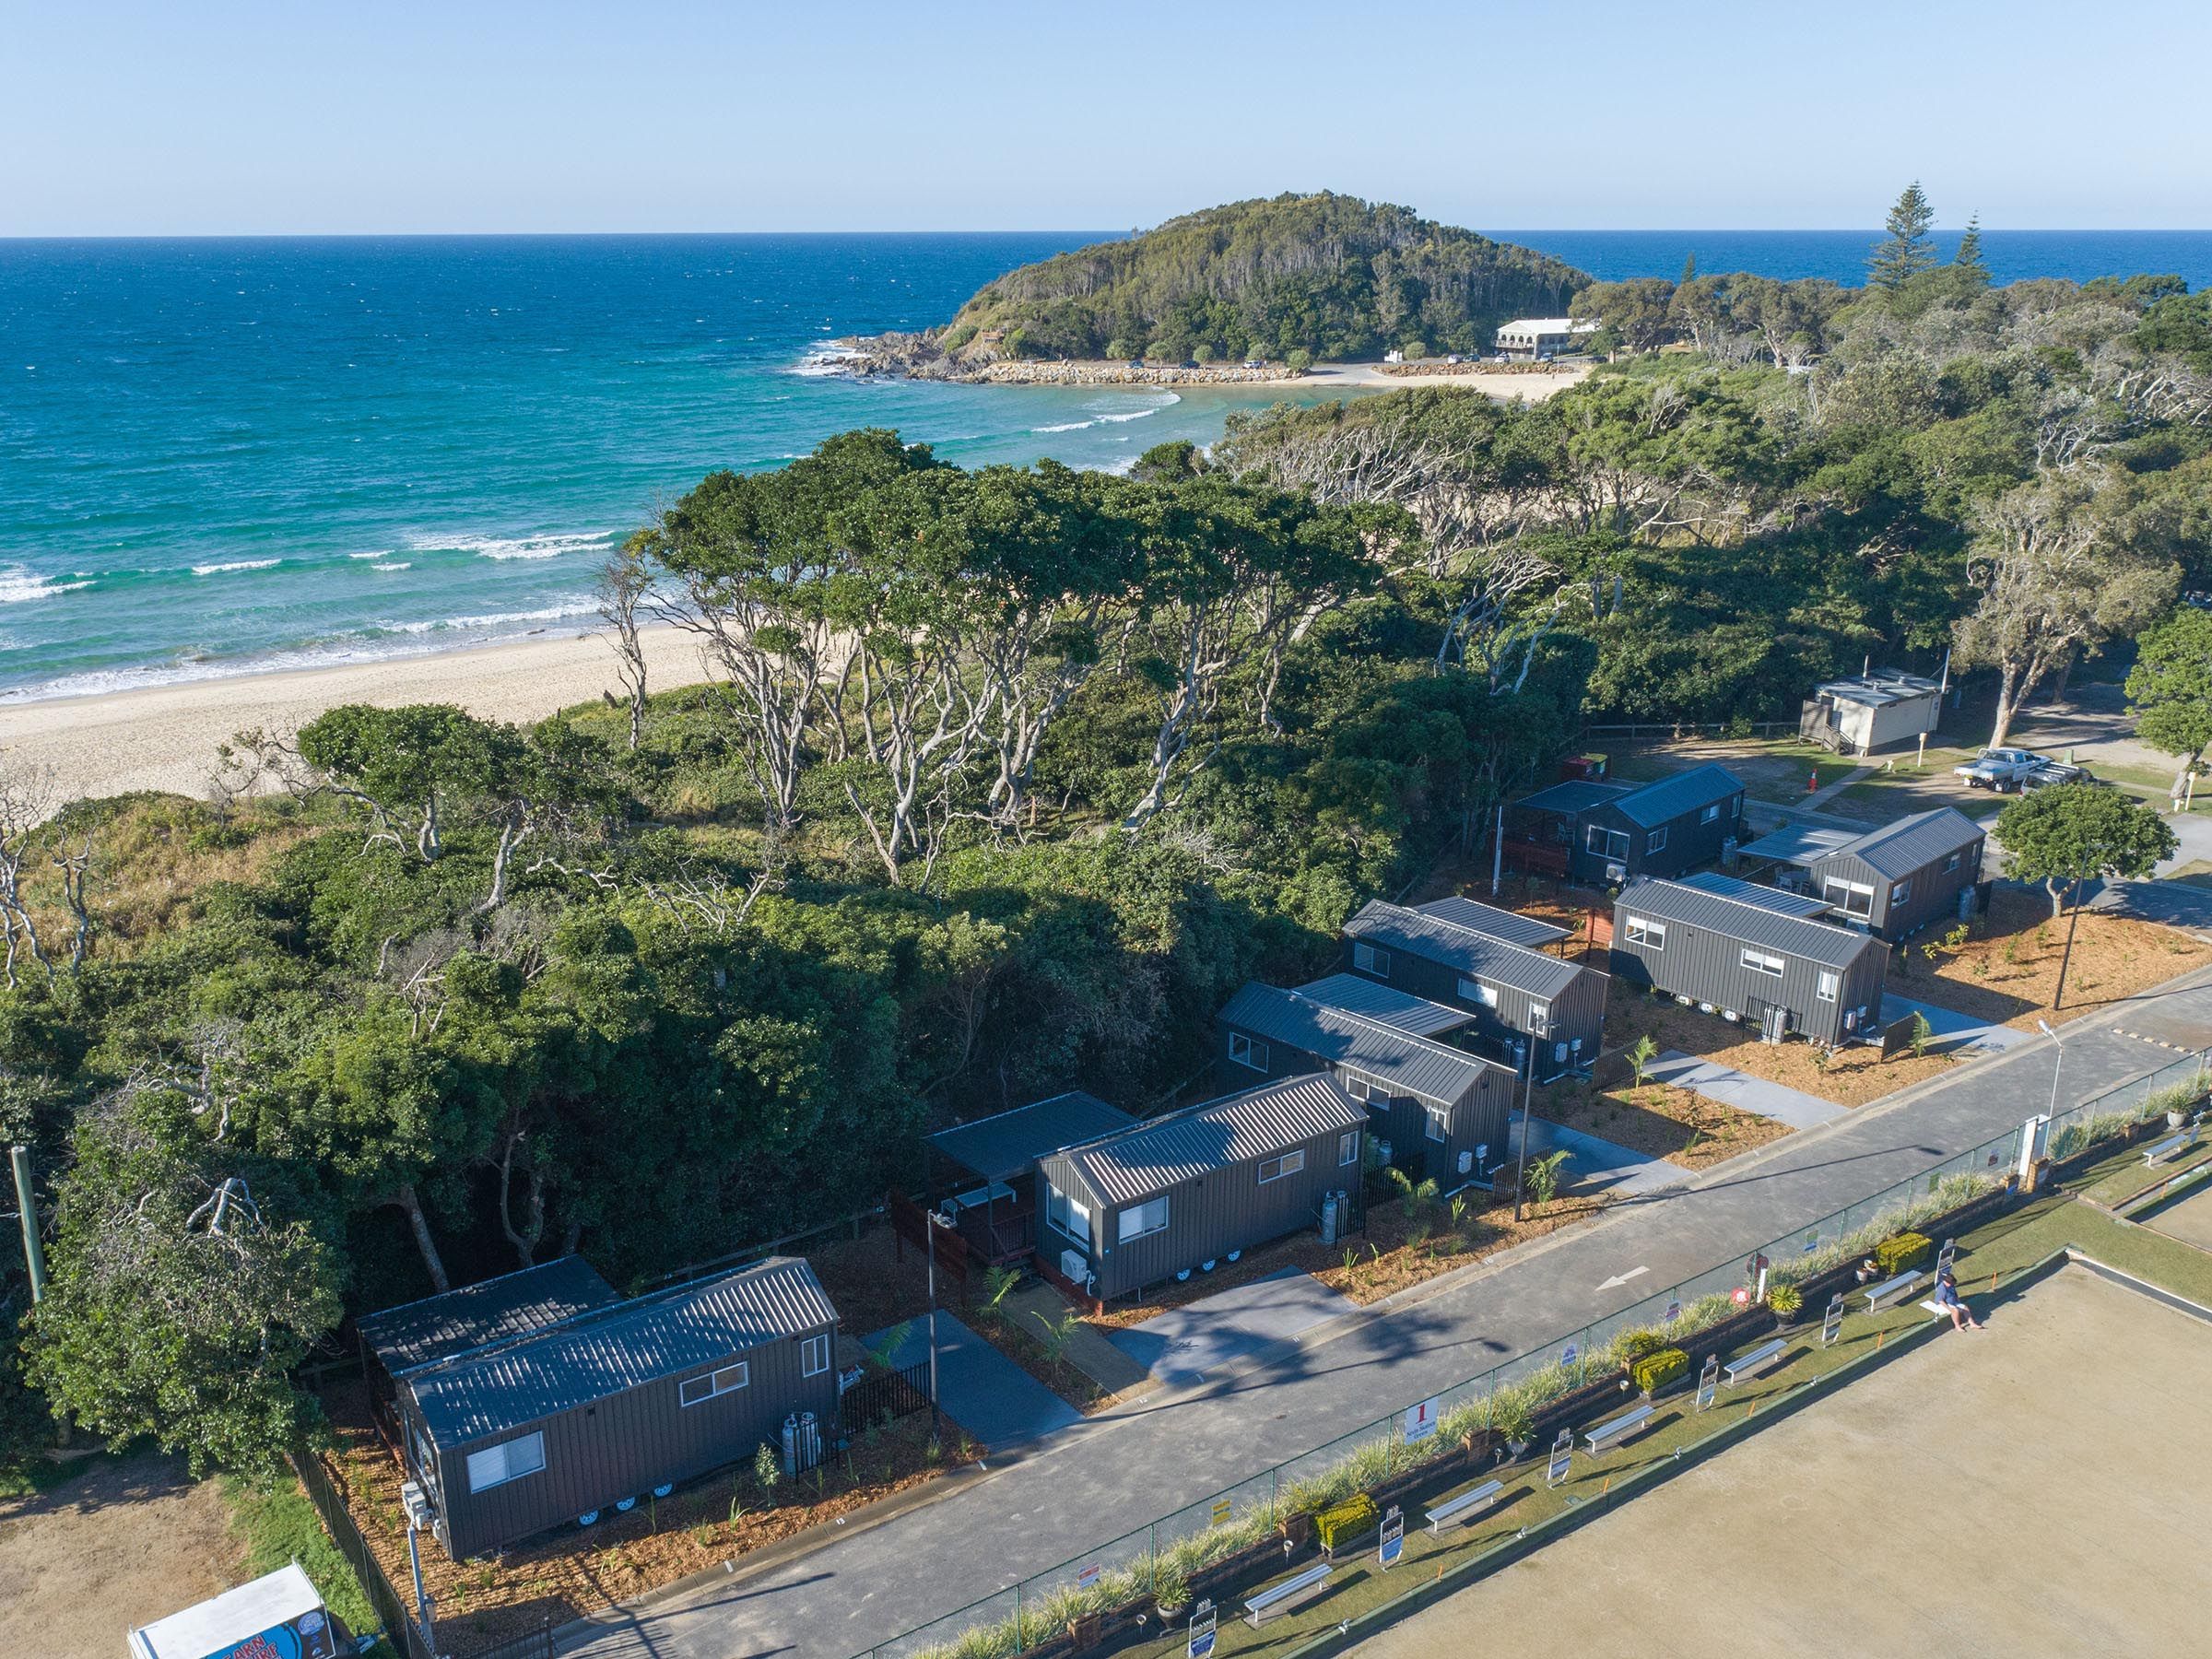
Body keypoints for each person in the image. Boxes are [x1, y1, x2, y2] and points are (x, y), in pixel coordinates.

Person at [1932, 1265, 1983, 1332]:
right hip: (1943, 1303)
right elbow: (1940, 1301)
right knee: (1955, 1311)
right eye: (1951, 1283)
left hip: (1953, 1301)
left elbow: (1954, 1293)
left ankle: (1972, 1324)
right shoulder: (1942, 1288)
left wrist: (1958, 1301)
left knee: (1965, 1308)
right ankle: (1957, 1326)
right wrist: (1949, 1309)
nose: (1952, 1285)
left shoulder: (1951, 1285)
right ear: (1947, 1282)